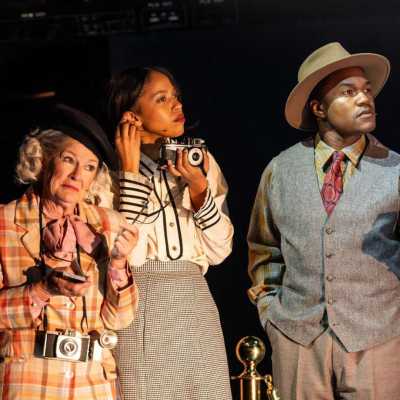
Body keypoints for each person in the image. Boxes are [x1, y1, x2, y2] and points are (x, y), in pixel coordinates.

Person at [248, 42, 400, 399]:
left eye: (366, 90)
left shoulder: (395, 170)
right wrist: (271, 316)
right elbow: (263, 249)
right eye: (348, 92)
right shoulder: (280, 170)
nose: (365, 99)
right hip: (299, 340)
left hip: (377, 340)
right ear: (318, 108)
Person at [107, 66, 234, 400]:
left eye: (175, 97)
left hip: (195, 299)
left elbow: (221, 251)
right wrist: (131, 172)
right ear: (131, 113)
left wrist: (199, 191)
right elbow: (126, 254)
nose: (177, 106)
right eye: (161, 99)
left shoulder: (199, 161)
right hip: (141, 298)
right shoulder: (107, 171)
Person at [0, 104, 139, 400]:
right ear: (42, 158)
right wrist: (41, 290)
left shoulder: (107, 224)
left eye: (89, 166)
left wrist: (117, 265)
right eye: (68, 159)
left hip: (93, 383)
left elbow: (120, 319)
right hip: (28, 381)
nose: (77, 175)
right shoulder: (4, 222)